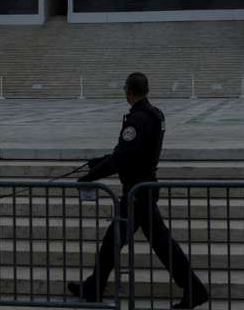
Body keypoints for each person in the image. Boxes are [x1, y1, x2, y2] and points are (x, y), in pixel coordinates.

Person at [69, 72, 209, 308]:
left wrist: (90, 176)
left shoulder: (137, 119)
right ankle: (94, 287)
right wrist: (97, 161)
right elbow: (127, 153)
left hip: (137, 192)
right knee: (149, 242)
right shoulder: (155, 114)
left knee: (127, 241)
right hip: (144, 187)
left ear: (128, 92)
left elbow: (121, 159)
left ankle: (94, 288)